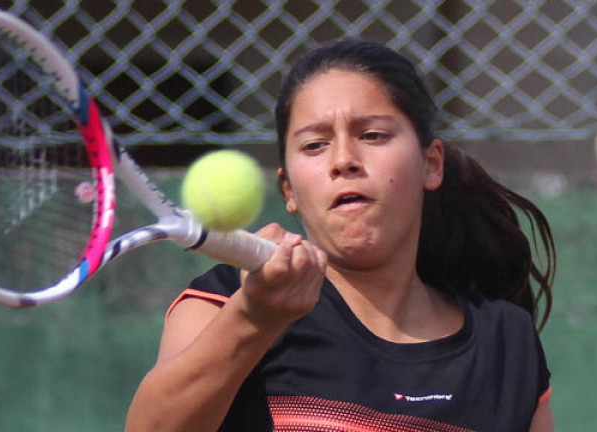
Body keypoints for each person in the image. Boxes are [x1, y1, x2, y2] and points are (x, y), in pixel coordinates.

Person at [125, 38, 558, 431]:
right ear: (289, 191)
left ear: (431, 164)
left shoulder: (508, 343)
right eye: (315, 145)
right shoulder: (224, 302)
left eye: (372, 135)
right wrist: (255, 318)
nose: (344, 160)